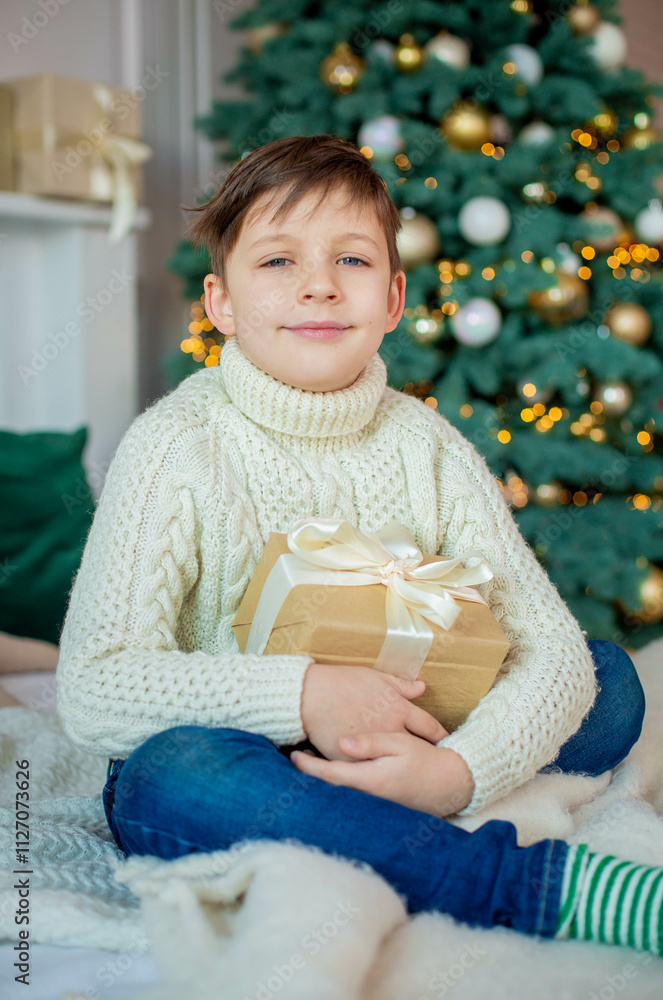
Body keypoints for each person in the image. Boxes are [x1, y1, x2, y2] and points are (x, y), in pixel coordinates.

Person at [56, 134, 659, 955]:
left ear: (393, 297)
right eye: (275, 262)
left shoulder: (427, 445)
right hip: (252, 753)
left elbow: (548, 647)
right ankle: (523, 884)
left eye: (351, 259)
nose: (317, 285)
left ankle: (396, 803)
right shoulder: (177, 444)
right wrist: (307, 695)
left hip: (418, 728)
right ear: (221, 302)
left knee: (607, 679)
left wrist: (457, 771)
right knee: (174, 777)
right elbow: (94, 687)